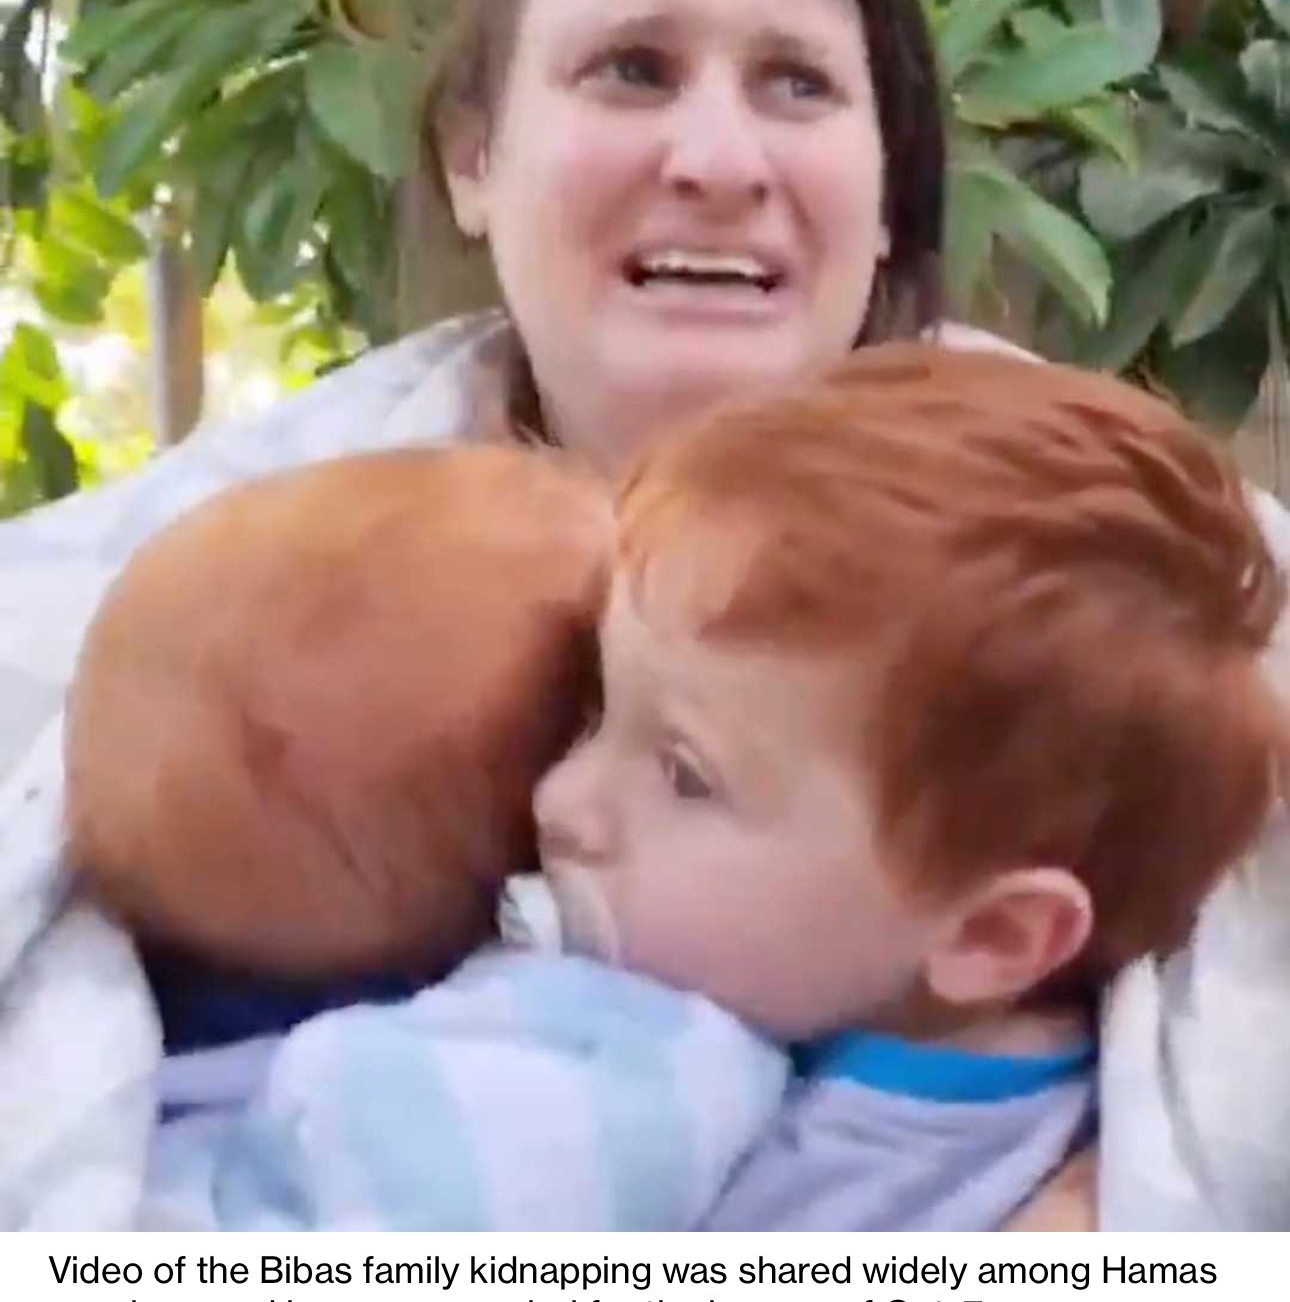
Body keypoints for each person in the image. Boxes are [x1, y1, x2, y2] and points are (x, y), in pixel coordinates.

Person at [0, 0, 1286, 1229]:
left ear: (887, 192)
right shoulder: (219, 578)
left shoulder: (1154, 579)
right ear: (473, 158)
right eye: (630, 68)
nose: (718, 160)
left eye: (797, 84)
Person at [137, 347, 1282, 1232]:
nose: (559, 802)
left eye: (684, 775)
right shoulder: (809, 992)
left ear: (992, 935)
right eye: (597, 710)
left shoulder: (829, 1170)